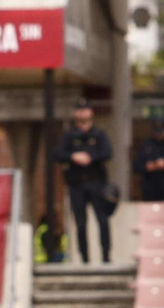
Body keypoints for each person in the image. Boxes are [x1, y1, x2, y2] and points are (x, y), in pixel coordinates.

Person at [52, 99, 114, 264]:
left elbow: (107, 153)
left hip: (96, 183)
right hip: (76, 184)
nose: (82, 113)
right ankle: (84, 258)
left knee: (102, 220)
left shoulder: (99, 135)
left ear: (90, 113)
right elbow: (57, 154)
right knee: (80, 223)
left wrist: (90, 158)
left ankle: (106, 256)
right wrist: (73, 156)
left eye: (85, 110)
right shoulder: (69, 136)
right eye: (79, 110)